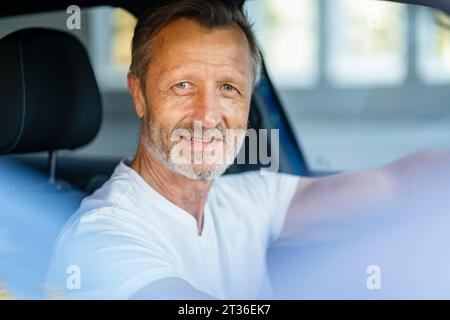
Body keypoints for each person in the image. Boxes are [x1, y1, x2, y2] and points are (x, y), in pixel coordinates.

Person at [47, 0, 450, 299]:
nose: (207, 116)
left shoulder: (244, 200)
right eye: (182, 86)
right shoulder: (101, 238)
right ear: (139, 94)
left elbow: (401, 186)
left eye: (228, 88)